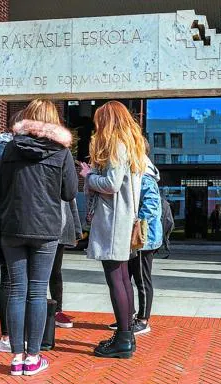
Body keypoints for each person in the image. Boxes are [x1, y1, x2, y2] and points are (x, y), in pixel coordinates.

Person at [0, 99, 77, 376]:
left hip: (13, 227)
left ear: (27, 119)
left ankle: (16, 357)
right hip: (46, 229)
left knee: (17, 290)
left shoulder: (9, 147)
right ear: (53, 121)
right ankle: (32, 358)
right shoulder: (61, 152)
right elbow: (69, 193)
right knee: (38, 292)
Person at [78, 100, 146, 359]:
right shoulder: (131, 145)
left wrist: (88, 176)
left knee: (116, 278)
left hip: (114, 221)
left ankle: (123, 340)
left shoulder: (117, 145)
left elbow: (111, 183)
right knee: (123, 278)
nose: (97, 126)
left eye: (99, 120)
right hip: (123, 220)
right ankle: (125, 336)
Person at [109, 150, 162, 335]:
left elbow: (151, 206)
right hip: (136, 238)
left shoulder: (145, 176)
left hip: (143, 239)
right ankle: (128, 317)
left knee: (141, 279)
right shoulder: (141, 173)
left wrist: (134, 222)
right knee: (129, 276)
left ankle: (143, 319)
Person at [0, 109, 22, 353]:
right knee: (10, 280)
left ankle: (10, 334)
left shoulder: (5, 145)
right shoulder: (6, 147)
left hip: (11, 217)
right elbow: (0, 185)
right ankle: (7, 336)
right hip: (9, 218)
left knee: (12, 281)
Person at [50, 198, 83, 328]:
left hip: (59, 226)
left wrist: (76, 229)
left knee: (55, 272)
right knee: (47, 274)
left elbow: (70, 196)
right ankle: (49, 310)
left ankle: (57, 310)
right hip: (42, 224)